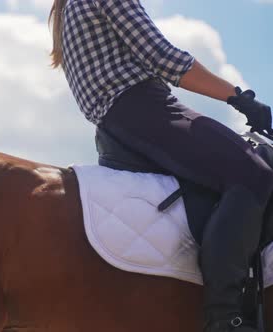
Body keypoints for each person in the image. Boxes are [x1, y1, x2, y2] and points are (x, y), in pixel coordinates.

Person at [48, 0, 273, 331]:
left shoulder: (66, 8)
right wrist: (241, 99)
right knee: (253, 172)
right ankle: (225, 315)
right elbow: (164, 58)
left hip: (114, 129)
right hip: (146, 110)